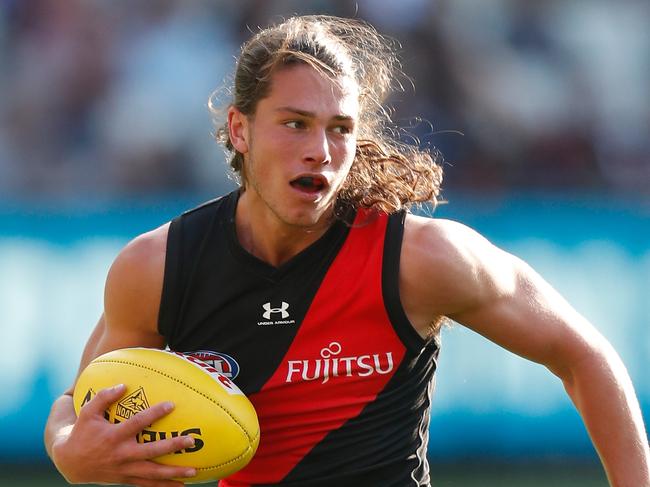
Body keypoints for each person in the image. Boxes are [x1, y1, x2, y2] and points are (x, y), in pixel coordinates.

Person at [44, 15, 649, 487]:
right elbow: (79, 403)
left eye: (340, 128)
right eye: (295, 124)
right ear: (239, 129)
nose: (321, 150)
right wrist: (73, 453)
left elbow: (585, 355)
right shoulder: (159, 267)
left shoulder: (421, 258)